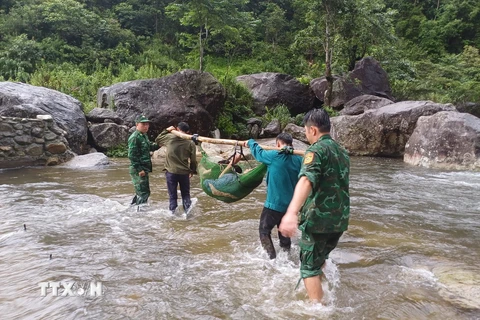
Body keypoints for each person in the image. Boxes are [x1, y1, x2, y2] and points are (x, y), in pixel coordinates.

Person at [279, 108, 350, 303]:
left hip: (319, 221)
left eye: (306, 131)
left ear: (313, 130)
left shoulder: (316, 150)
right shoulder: (342, 152)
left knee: (308, 267)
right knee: (319, 259)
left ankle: (317, 310)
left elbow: (306, 180)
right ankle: (322, 292)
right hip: (339, 221)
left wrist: (291, 213)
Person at [244, 133, 302, 259]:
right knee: (284, 231)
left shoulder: (274, 156)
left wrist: (250, 142)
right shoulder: (299, 160)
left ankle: (271, 258)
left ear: (277, 144)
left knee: (264, 231)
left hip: (273, 205)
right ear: (292, 144)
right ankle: (287, 255)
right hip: (290, 207)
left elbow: (258, 153)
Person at [155, 122, 197, 213]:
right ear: (188, 131)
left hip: (171, 172)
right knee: (186, 195)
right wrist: (192, 170)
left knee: (172, 196)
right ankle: (187, 213)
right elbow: (193, 160)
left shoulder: (170, 138)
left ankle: (172, 214)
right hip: (184, 173)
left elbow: (157, 139)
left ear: (177, 129)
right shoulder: (190, 142)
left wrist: (167, 130)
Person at [128, 115, 159, 205]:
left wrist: (159, 145)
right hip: (138, 169)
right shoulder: (135, 137)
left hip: (144, 168)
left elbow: (149, 146)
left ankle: (133, 208)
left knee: (142, 191)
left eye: (147, 124)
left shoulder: (143, 136)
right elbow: (132, 155)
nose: (146, 126)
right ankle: (140, 212)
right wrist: (139, 170)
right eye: (143, 124)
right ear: (137, 124)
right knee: (143, 192)